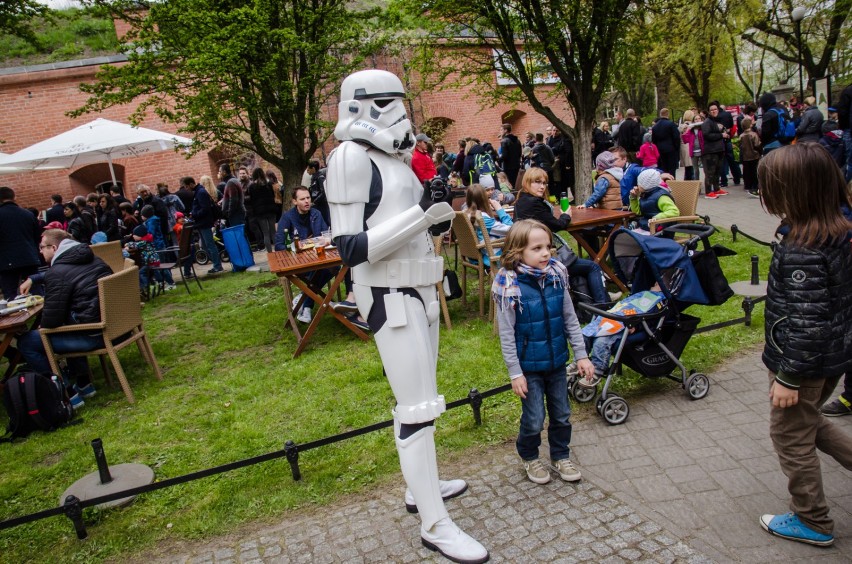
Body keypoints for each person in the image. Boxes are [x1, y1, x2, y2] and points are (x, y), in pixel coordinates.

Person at [325, 69, 487, 564]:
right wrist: (424, 212)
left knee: (422, 400)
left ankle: (423, 489)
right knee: (416, 405)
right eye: (386, 103)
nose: (399, 113)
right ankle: (435, 524)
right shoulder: (349, 158)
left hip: (420, 286)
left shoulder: (392, 158)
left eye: (400, 102)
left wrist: (429, 210)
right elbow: (351, 248)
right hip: (389, 293)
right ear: (361, 106)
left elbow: (404, 223)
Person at [756, 143, 852, 547]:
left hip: (805, 365)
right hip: (830, 359)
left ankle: (813, 520)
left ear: (794, 192)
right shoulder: (834, 233)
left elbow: (807, 322)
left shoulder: (803, 251)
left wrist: (789, 378)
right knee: (809, 423)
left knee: (790, 436)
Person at [492, 219, 594, 485]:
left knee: (561, 414)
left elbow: (570, 319)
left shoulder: (556, 276)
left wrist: (581, 354)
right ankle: (529, 456)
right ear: (517, 252)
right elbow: (506, 334)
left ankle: (560, 455)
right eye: (537, 248)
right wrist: (515, 372)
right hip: (529, 366)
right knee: (535, 417)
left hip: (557, 362)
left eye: (548, 246)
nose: (546, 253)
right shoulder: (509, 286)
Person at [16, 229, 113, 409]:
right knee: (70, 321)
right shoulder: (93, 259)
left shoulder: (58, 272)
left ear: (54, 248)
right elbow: (67, 273)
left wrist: (37, 327)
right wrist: (34, 278)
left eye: (42, 247)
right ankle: (84, 383)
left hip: (92, 336)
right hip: (115, 327)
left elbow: (50, 322)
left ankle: (67, 392)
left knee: (28, 342)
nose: (40, 251)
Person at [514, 167, 609, 304]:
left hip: (528, 255)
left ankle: (598, 297)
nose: (542, 186)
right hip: (545, 257)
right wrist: (566, 215)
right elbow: (558, 225)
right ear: (527, 182)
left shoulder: (520, 201)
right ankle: (603, 306)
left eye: (544, 183)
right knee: (593, 266)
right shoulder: (534, 203)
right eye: (537, 182)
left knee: (583, 266)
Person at [274, 186, 335, 323]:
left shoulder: (316, 214)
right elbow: (279, 245)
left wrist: (324, 241)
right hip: (298, 260)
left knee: (334, 268)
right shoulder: (287, 218)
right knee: (318, 271)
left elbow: (326, 235)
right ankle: (307, 304)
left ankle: (304, 298)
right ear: (295, 201)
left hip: (317, 256)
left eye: (308, 198)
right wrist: (296, 247)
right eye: (302, 199)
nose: (307, 201)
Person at [0, 187, 42, 300]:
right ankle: (43, 315)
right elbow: (37, 237)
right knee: (36, 290)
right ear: (14, 197)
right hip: (29, 257)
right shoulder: (28, 214)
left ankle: (17, 317)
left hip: (6, 260)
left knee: (10, 295)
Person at [464, 183, 512, 268]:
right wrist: (499, 209)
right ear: (484, 199)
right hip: (492, 257)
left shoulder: (465, 213)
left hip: (474, 256)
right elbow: (511, 230)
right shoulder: (482, 218)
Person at [190, 175, 224, 274]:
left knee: (209, 244)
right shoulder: (211, 191)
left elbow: (205, 208)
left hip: (204, 222)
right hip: (211, 221)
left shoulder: (200, 192)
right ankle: (216, 264)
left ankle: (217, 265)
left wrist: (195, 214)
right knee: (208, 244)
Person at [140, 205, 176, 291]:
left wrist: (141, 238)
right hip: (159, 245)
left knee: (160, 266)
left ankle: (170, 282)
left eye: (142, 215)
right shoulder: (153, 220)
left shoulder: (151, 222)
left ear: (146, 215)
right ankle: (162, 282)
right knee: (157, 266)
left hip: (157, 246)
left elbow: (150, 234)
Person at [701, 103, 729, 199]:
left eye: (715, 109)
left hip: (718, 149)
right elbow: (707, 135)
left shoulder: (716, 121)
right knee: (710, 172)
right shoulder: (707, 122)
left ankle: (717, 189)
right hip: (710, 151)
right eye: (712, 110)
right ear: (709, 111)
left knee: (717, 171)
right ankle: (708, 191)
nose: (714, 111)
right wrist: (721, 135)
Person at [247, 167, 277, 253]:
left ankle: (270, 253)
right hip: (271, 209)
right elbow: (272, 196)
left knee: (265, 233)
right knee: (273, 232)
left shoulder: (252, 186)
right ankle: (278, 252)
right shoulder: (269, 184)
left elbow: (252, 200)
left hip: (260, 212)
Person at [651, 108, 681, 176]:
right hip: (671, 149)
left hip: (660, 150)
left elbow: (654, 140)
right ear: (668, 114)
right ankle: (671, 183)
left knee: (663, 169)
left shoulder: (655, 126)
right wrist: (676, 148)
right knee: (671, 169)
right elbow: (676, 137)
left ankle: (664, 184)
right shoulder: (671, 124)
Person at [739, 117, 762, 198]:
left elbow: (740, 147)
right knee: (754, 172)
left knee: (747, 172)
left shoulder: (741, 136)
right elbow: (757, 145)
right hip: (754, 156)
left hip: (746, 156)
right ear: (750, 125)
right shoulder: (753, 135)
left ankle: (747, 185)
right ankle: (755, 186)